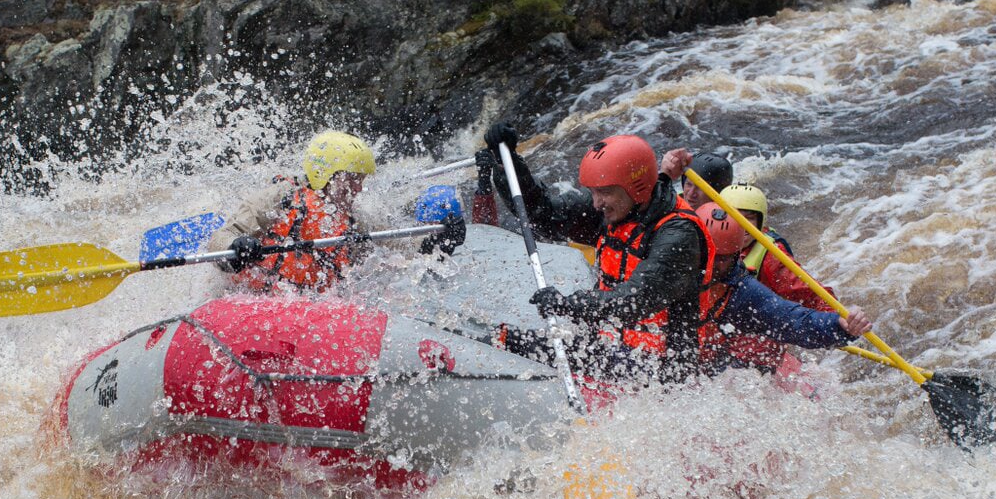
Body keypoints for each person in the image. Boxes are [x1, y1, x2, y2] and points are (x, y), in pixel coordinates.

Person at [478, 122, 714, 384]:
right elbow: (542, 214)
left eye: (603, 192)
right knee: (506, 340)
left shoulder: (679, 234)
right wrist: (508, 163)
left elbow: (635, 300)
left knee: (515, 345)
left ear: (636, 187)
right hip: (611, 347)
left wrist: (568, 305)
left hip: (662, 372)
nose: (595, 202)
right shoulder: (616, 209)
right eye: (592, 191)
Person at [210, 131, 462, 292]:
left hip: (314, 304)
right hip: (254, 297)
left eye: (361, 180)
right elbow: (220, 240)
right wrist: (237, 246)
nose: (359, 188)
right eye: (352, 178)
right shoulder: (279, 198)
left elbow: (399, 244)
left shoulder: (355, 217)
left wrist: (437, 240)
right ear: (325, 175)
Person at [693, 203, 871, 375]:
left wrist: (839, 325)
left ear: (735, 255)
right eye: (709, 255)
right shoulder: (670, 265)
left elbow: (794, 320)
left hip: (729, 356)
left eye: (722, 259)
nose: (712, 265)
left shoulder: (743, 289)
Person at [714, 182, 839, 372]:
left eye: (750, 219)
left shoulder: (772, 257)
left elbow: (813, 295)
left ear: (761, 222)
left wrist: (836, 325)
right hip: (716, 342)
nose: (744, 227)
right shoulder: (701, 240)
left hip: (753, 354)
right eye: (736, 218)